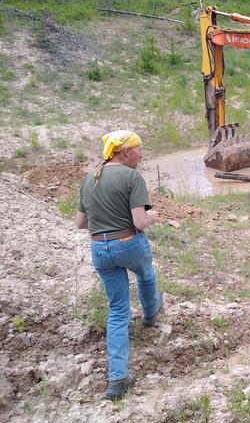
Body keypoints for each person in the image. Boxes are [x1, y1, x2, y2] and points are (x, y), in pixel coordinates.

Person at [74, 130, 163, 400]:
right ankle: (150, 315)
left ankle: (117, 379)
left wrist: (105, 222)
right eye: (138, 150)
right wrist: (153, 216)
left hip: (99, 247)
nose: (141, 154)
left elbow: (80, 223)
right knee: (146, 275)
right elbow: (139, 222)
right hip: (128, 243)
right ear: (124, 152)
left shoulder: (90, 177)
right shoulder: (132, 176)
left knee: (117, 310)